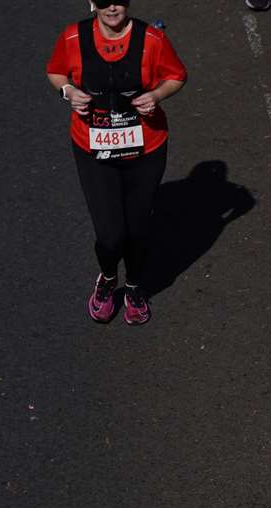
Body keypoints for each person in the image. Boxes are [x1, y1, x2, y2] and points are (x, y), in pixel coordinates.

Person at [47, 1, 187, 325]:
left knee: (137, 230)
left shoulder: (152, 39)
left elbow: (177, 75)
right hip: (94, 149)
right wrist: (68, 91)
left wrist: (156, 96)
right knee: (111, 235)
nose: (113, 7)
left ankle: (135, 288)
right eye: (105, 0)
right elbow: (55, 72)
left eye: (120, 0)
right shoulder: (73, 38)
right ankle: (109, 279)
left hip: (146, 148)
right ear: (92, 3)